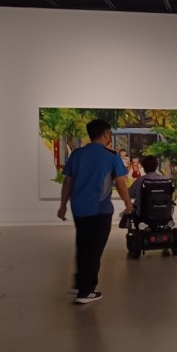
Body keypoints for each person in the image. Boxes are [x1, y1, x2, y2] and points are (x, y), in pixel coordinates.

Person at [57, 119, 133, 304]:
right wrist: (128, 204)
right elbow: (121, 184)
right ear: (106, 134)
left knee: (83, 244)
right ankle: (86, 291)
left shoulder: (77, 154)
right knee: (94, 250)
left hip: (79, 208)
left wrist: (63, 205)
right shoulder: (111, 156)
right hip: (100, 210)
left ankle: (80, 282)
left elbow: (68, 182)